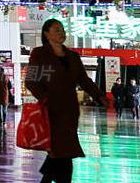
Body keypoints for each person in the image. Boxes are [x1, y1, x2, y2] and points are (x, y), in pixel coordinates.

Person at [25, 18, 106, 183]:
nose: (61, 32)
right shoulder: (40, 54)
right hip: (51, 111)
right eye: (56, 29)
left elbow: (84, 80)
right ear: (46, 34)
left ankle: (49, 179)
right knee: (61, 153)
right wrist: (45, 98)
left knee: (62, 152)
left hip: (69, 112)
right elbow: (31, 81)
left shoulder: (73, 56)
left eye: (62, 29)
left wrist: (98, 96)